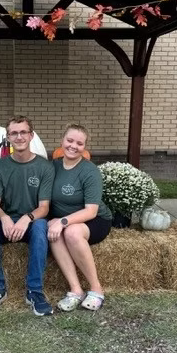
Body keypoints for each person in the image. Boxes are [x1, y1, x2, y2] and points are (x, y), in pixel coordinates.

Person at [0, 116, 55, 316]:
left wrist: (26, 218)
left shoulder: (44, 167)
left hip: (31, 222)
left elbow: (44, 207)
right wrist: (4, 218)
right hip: (7, 221)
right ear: (8, 137)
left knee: (41, 226)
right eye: (14, 133)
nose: (19, 136)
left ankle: (34, 291)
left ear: (31, 135)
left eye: (23, 132)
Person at [48, 124, 112, 312]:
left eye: (79, 143)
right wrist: (55, 220)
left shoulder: (90, 171)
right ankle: (75, 290)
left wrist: (62, 221)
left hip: (95, 220)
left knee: (72, 233)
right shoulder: (53, 166)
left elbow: (91, 211)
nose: (73, 146)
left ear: (85, 147)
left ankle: (96, 289)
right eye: (70, 140)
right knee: (53, 232)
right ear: (62, 141)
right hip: (64, 219)